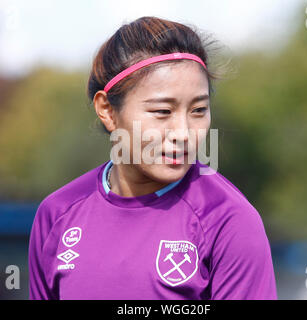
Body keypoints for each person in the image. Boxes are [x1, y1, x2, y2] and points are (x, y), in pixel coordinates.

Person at [28, 16, 277, 300]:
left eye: (198, 110)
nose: (183, 133)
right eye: (162, 111)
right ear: (107, 110)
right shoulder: (57, 214)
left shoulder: (230, 221)